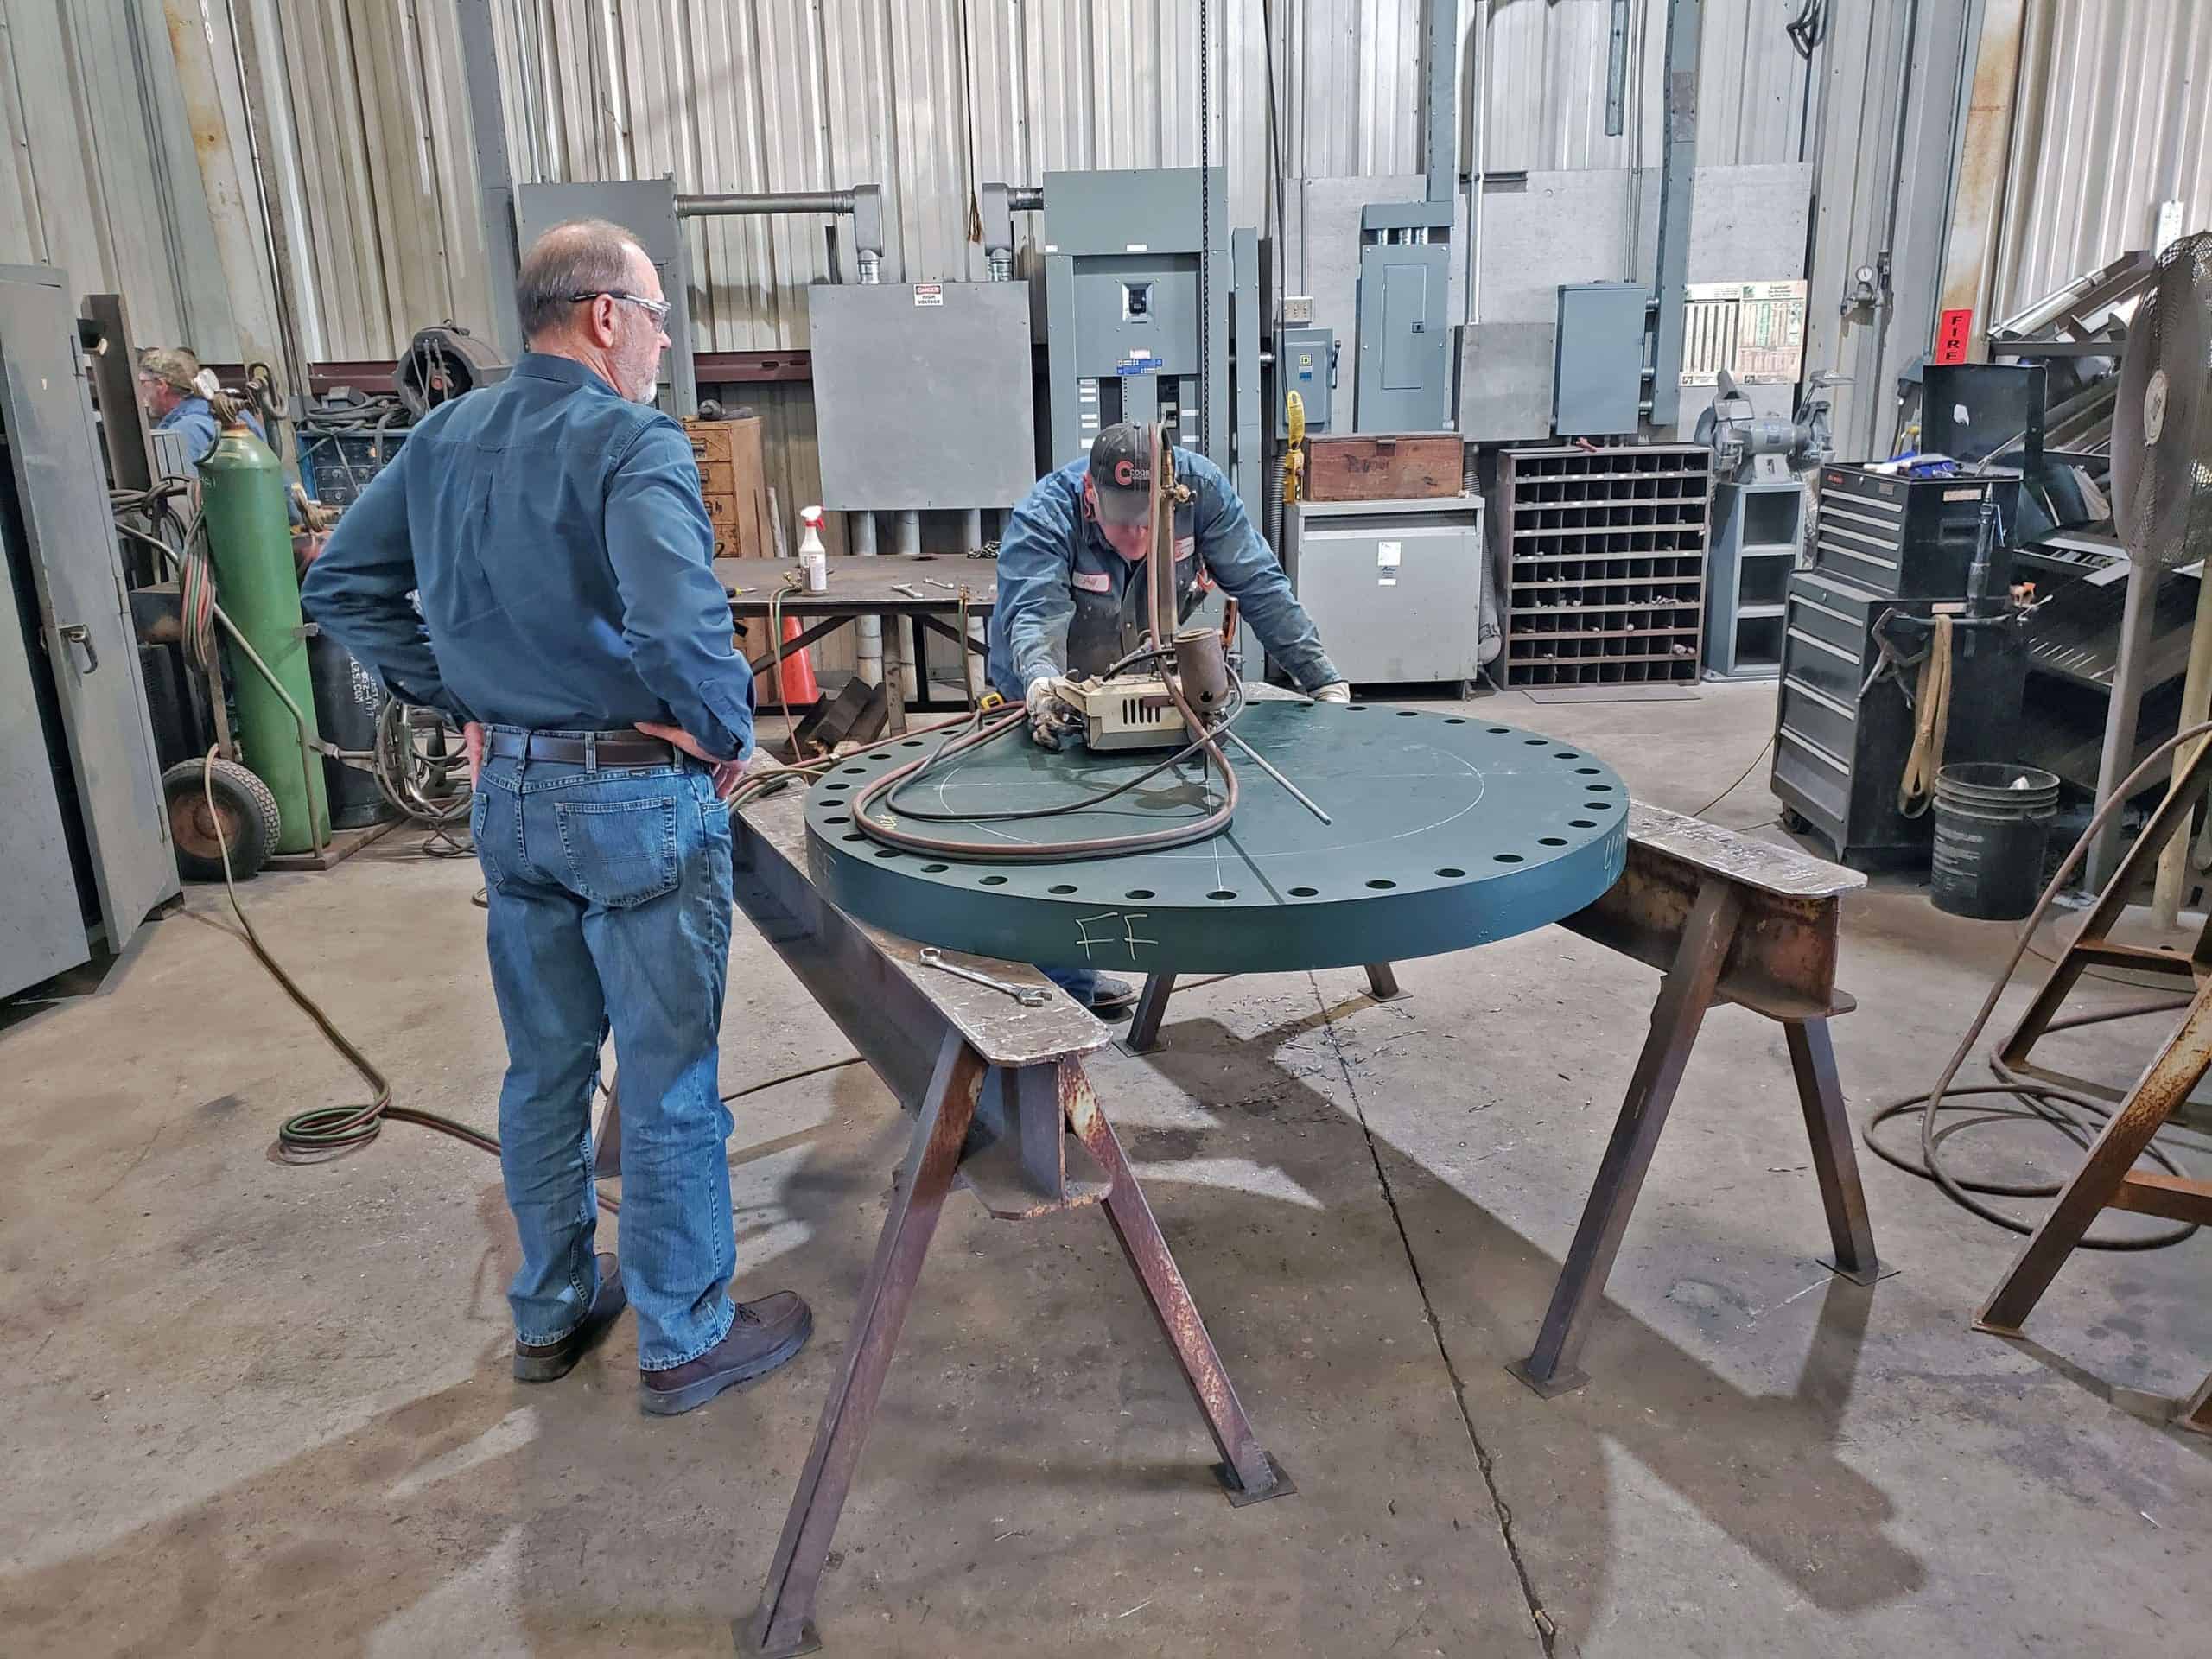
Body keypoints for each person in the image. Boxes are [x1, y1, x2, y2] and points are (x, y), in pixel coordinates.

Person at [300, 219, 811, 1416]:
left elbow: (341, 588)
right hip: (633, 798)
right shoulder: (631, 441)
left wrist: (460, 691)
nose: (665, 339)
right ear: (602, 316)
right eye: (656, 315)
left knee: (544, 1069)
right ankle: (686, 1337)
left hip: (513, 801)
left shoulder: (440, 436)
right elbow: (683, 630)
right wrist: (726, 736)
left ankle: (552, 1311)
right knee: (670, 1075)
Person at [986, 423, 1351, 1014]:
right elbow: (1034, 611)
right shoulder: (1045, 514)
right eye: (1119, 521)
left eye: (1147, 523)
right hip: (1047, 687)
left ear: (1172, 498)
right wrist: (1041, 683)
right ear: (1089, 497)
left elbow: (1260, 584)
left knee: (1136, 816)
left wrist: (1324, 681)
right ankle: (1061, 992)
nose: (1134, 538)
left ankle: (1103, 949)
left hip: (1142, 678)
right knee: (1051, 835)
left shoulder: (1201, 493)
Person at [138, 347, 266, 461]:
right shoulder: (235, 412)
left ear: (161, 385)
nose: (140, 391)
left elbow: (187, 486)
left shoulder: (182, 434)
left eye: (142, 382)